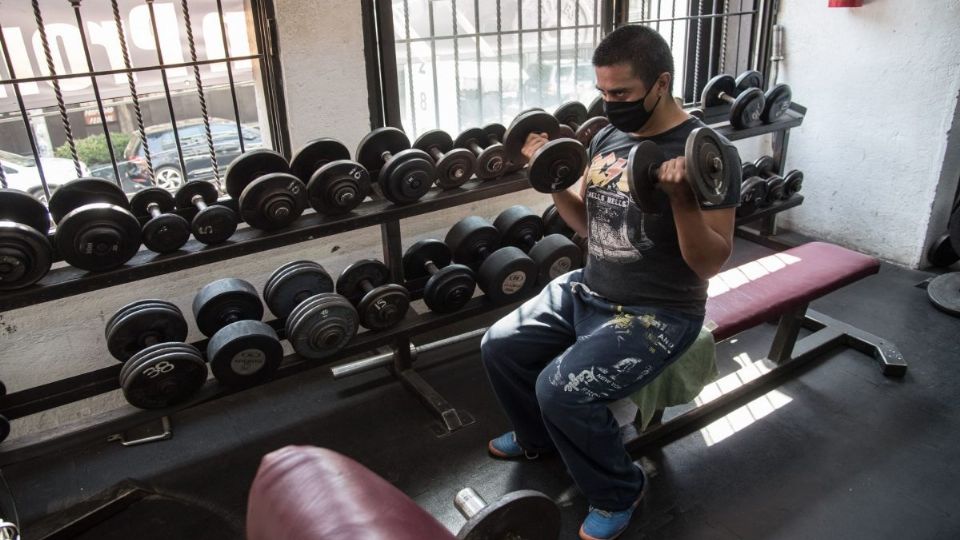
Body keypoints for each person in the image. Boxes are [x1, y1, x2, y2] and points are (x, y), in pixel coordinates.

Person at [480, 25, 740, 540]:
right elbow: (587, 224)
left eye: (620, 93)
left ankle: (620, 489)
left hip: (660, 311)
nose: (609, 102)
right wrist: (552, 178)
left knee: (560, 390)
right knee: (499, 346)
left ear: (660, 83)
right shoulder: (606, 136)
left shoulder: (708, 152)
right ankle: (538, 439)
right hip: (589, 287)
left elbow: (711, 262)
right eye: (602, 91)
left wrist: (683, 201)